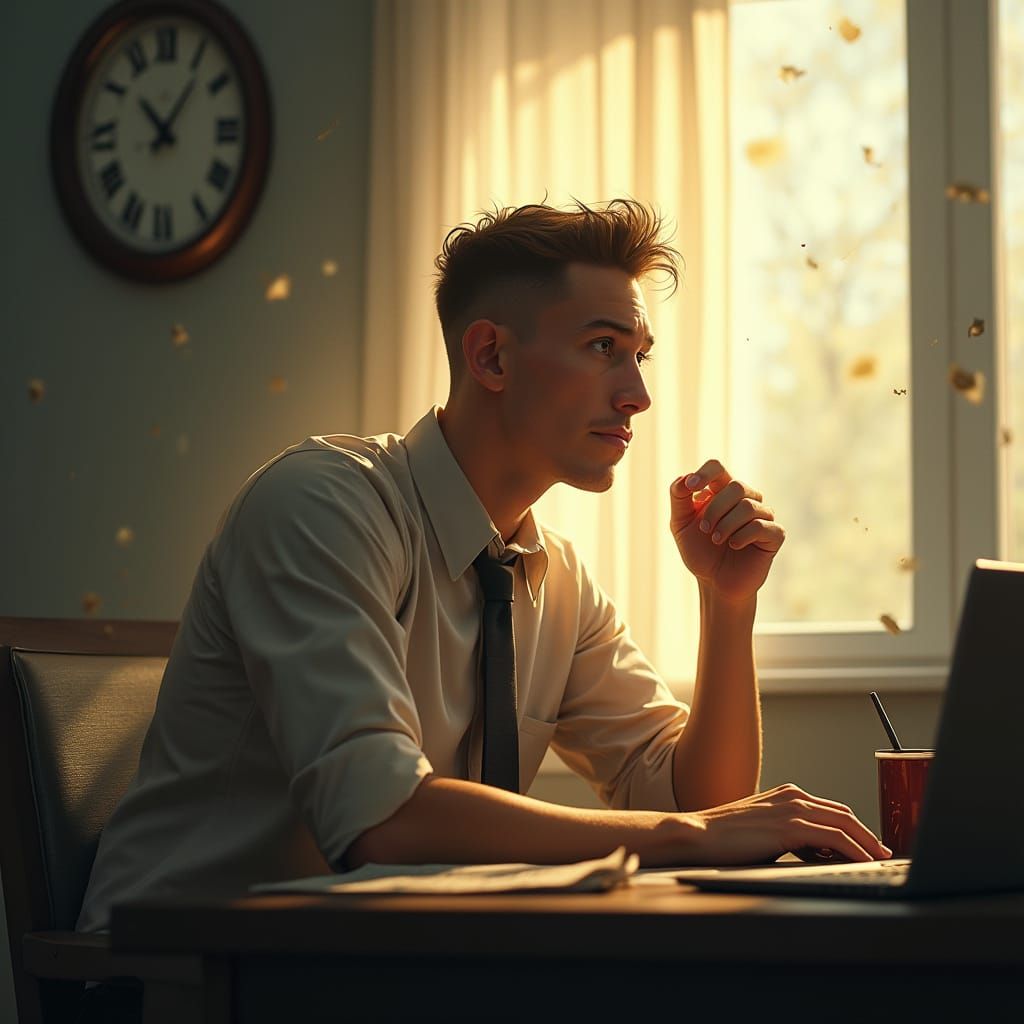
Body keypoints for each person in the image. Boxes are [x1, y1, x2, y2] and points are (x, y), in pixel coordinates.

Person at [78, 198, 889, 939]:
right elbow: (379, 818)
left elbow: (697, 805)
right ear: (491, 357)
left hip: (370, 972)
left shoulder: (555, 576)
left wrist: (726, 602)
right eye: (604, 347)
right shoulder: (319, 507)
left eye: (640, 354)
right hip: (168, 979)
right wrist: (695, 835)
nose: (638, 393)